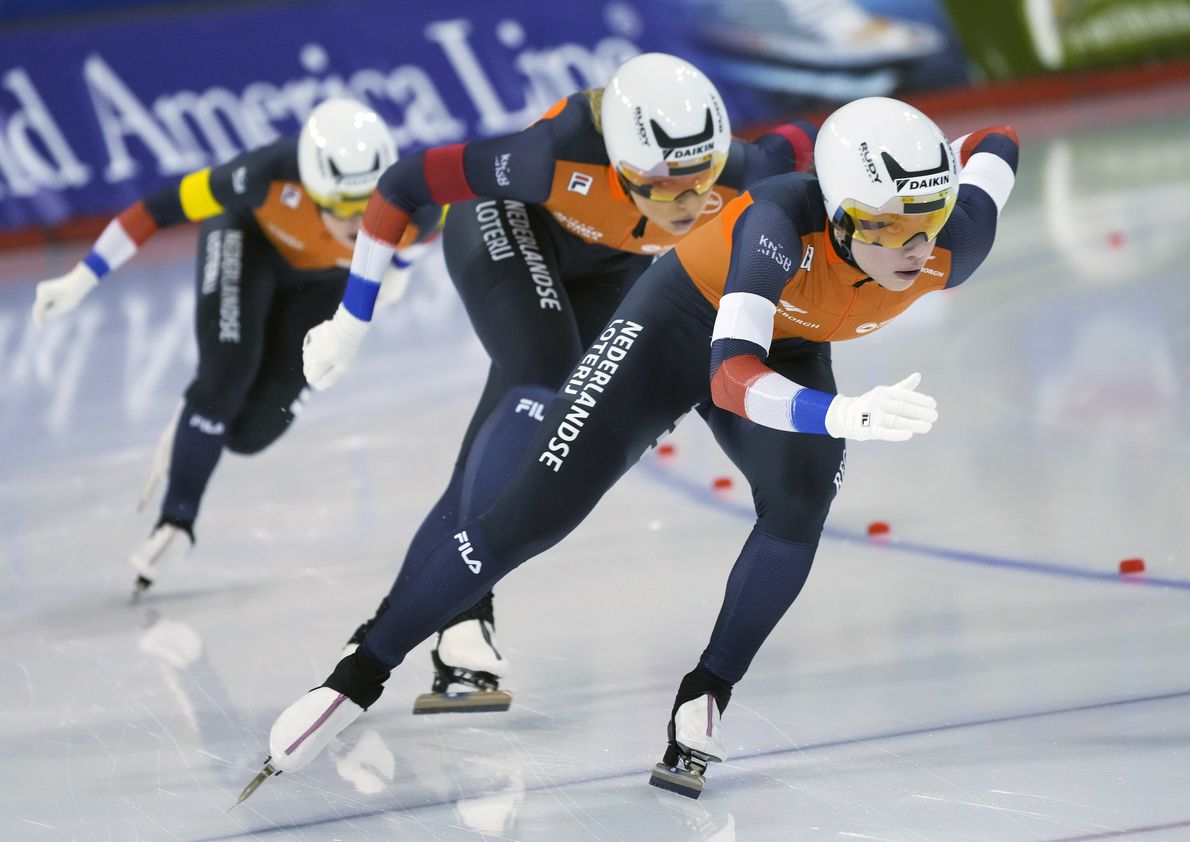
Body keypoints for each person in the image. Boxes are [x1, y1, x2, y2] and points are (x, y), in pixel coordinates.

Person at [247, 96, 1018, 802]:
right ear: (843, 218)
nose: (915, 245)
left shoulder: (961, 238)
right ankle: (357, 675)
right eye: (886, 224)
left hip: (793, 346)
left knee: (800, 503)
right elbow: (730, 376)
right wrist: (838, 412)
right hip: (682, 328)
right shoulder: (778, 225)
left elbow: (999, 137)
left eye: (929, 216)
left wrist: (929, 161)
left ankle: (706, 693)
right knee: (529, 516)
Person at [307, 53, 821, 714]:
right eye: (667, 186)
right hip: (509, 224)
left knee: (521, 424)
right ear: (623, 164)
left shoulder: (742, 167)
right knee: (540, 384)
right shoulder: (549, 156)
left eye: (706, 179)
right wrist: (351, 319)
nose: (692, 203)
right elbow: (405, 182)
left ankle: (404, 620)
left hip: (611, 263)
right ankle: (465, 612)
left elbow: (805, 141)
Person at [30, 97, 438, 595]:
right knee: (227, 374)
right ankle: (176, 521)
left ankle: (200, 412)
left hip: (322, 281)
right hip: (248, 243)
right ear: (311, 190)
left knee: (250, 435)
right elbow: (155, 210)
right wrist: (81, 277)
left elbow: (417, 242)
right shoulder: (261, 176)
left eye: (368, 206)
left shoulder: (416, 204)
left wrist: (396, 274)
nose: (359, 224)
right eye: (342, 208)